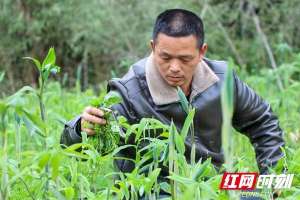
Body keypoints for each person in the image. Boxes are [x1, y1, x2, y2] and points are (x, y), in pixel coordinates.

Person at [60, 8, 284, 197]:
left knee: (283, 185)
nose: (174, 67)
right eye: (165, 57)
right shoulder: (128, 92)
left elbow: (263, 122)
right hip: (156, 190)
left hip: (216, 183)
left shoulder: (223, 80)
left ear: (201, 52)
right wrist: (81, 128)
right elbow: (84, 147)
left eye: (185, 59)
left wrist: (273, 176)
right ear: (152, 48)